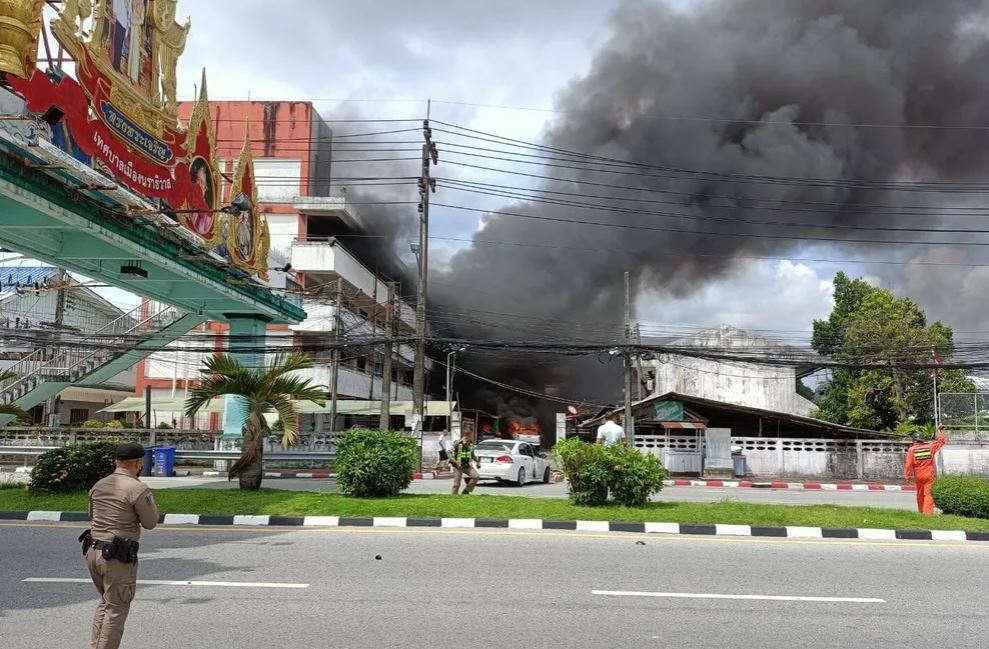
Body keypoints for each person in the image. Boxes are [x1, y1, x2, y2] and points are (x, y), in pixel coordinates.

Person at [80, 442, 159, 649]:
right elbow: (150, 522)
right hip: (117, 557)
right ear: (138, 463)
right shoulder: (137, 488)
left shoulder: (99, 484)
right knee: (116, 609)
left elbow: (91, 515)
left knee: (106, 603)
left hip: (94, 551)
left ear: (117, 461)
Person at [904, 424, 948, 515]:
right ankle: (927, 513)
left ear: (914, 441)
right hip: (929, 473)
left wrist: (907, 476)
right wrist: (939, 431)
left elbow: (908, 464)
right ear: (922, 440)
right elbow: (942, 441)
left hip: (918, 474)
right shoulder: (930, 446)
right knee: (928, 494)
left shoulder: (912, 450)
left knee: (920, 494)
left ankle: (921, 511)